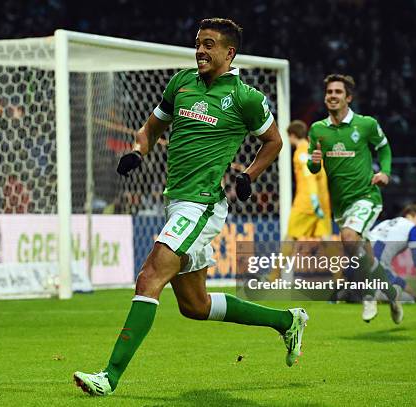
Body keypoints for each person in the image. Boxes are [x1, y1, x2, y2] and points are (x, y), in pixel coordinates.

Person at [73, 18, 309, 397]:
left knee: (150, 276)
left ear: (229, 53)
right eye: (198, 43)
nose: (200, 50)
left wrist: (249, 174)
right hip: (177, 201)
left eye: (209, 44)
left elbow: (274, 141)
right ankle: (287, 321)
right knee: (195, 306)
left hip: (201, 205)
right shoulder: (180, 83)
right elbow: (151, 127)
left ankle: (109, 377)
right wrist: (138, 151)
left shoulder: (245, 97)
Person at [307, 74, 403, 324]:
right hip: (341, 204)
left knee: (348, 238)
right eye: (329, 92)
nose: (333, 96)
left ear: (348, 97)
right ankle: (392, 295)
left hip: (366, 196)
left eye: (338, 92)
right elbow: (313, 165)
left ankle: (368, 294)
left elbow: (384, 146)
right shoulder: (317, 129)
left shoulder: (366, 124)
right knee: (365, 256)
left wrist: (385, 172)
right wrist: (313, 163)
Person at [369, 204, 416, 304]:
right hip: (377, 264)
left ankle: (352, 292)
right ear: (410, 215)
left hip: (358, 260)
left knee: (403, 286)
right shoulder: (411, 228)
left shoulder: (385, 223)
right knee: (411, 298)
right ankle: (377, 294)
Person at [286, 119, 332, 240]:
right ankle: (339, 260)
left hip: (307, 203)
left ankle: (281, 260)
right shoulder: (313, 150)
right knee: (326, 239)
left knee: (290, 238)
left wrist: (313, 199)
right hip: (323, 201)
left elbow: (309, 175)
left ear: (292, 135)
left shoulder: (301, 152)